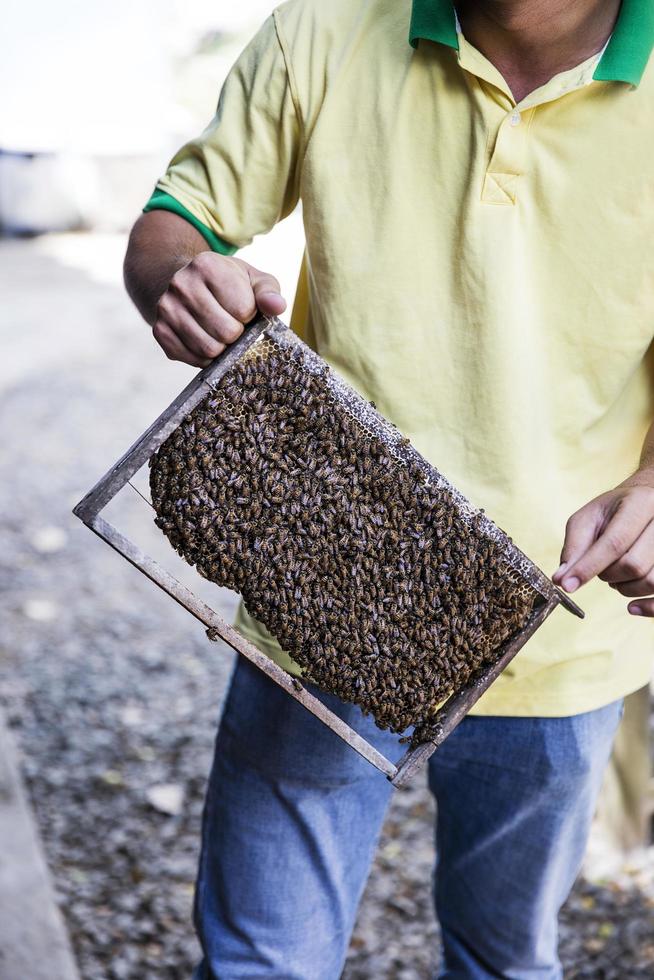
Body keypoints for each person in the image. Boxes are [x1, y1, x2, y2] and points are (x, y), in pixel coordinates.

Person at [124, 1, 654, 976]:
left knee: (503, 957)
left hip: (564, 627)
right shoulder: (324, 29)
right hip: (324, 595)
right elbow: (173, 227)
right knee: (261, 959)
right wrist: (190, 278)